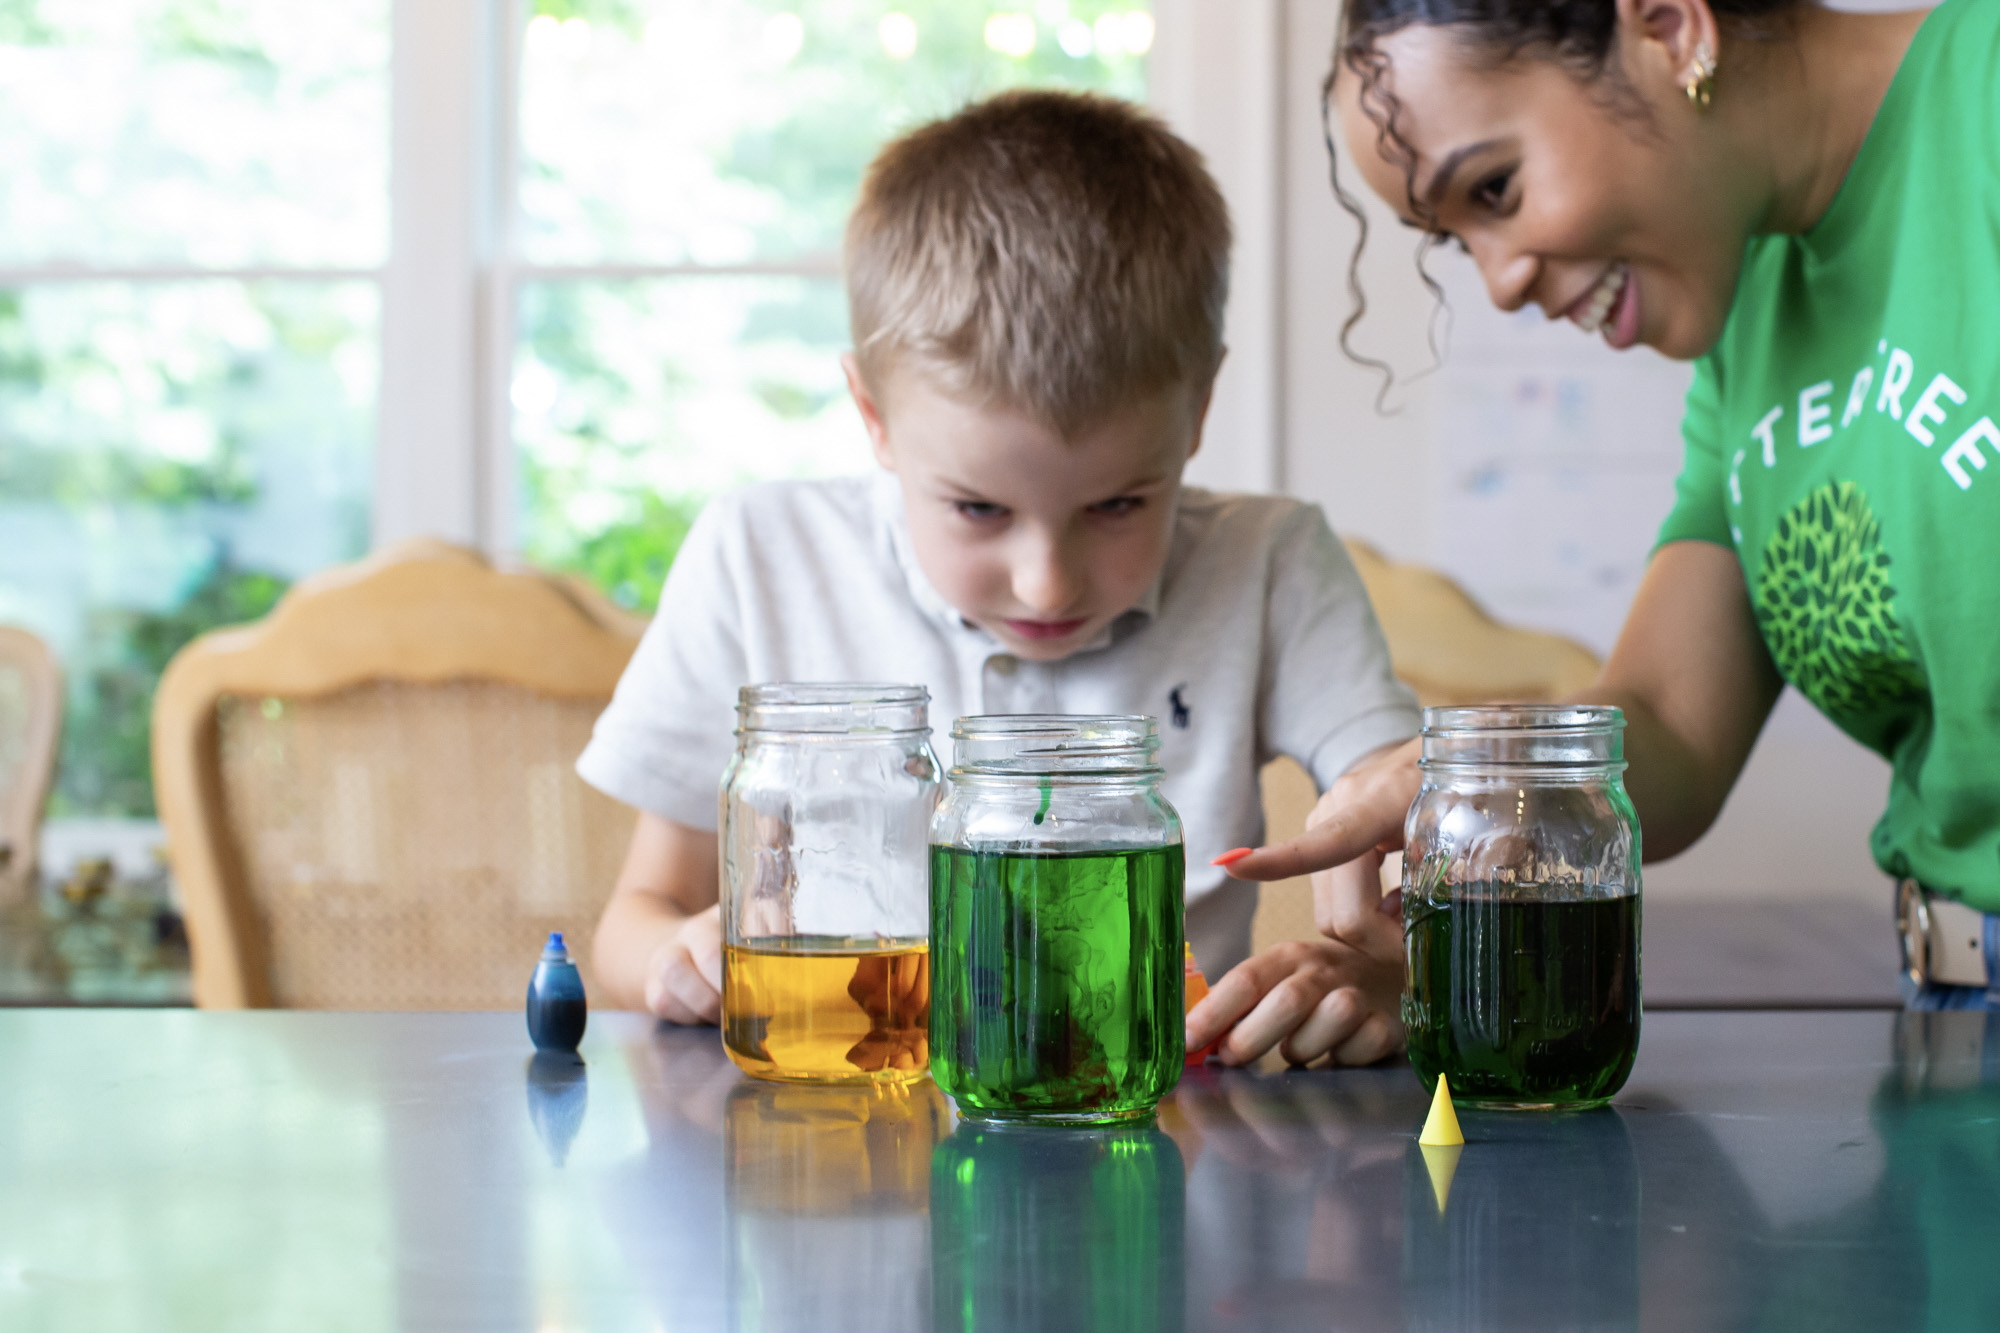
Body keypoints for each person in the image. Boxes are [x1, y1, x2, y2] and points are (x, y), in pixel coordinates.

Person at [1206, 0, 2000, 1050]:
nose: (1496, 284)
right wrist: (1468, 785)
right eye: (1457, 239)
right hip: (1952, 1014)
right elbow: (1667, 721)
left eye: (1494, 188)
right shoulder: (1749, 303)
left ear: (1669, 27)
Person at [579, 89, 1422, 1064]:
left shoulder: (1271, 560)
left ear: (1197, 412)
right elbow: (633, 920)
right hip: (844, 1128)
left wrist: (1388, 964)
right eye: (978, 509)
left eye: (1116, 505)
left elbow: (1397, 803)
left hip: (1150, 1119)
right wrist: (676, 955)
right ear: (874, 416)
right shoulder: (756, 555)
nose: (1045, 585)